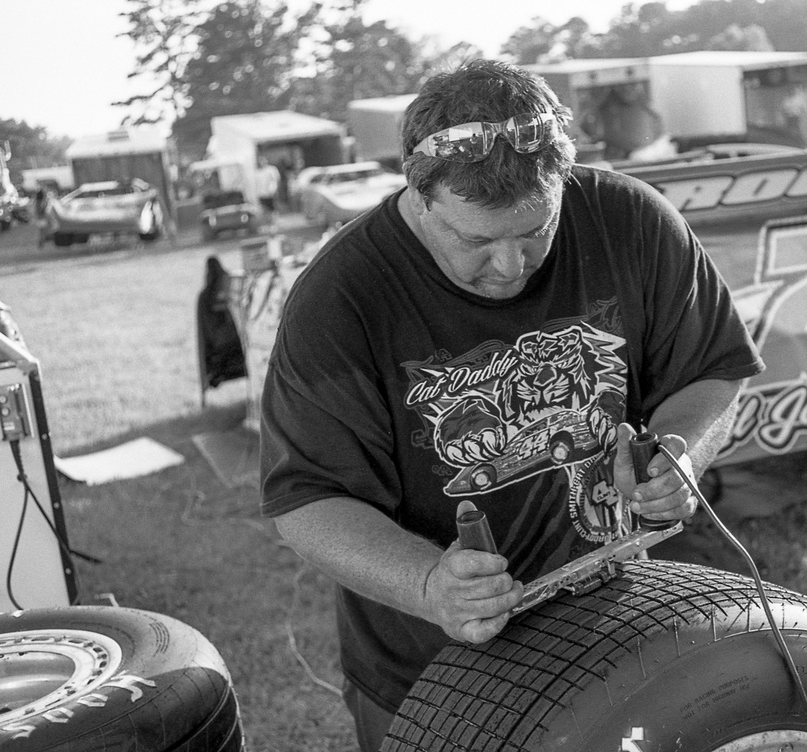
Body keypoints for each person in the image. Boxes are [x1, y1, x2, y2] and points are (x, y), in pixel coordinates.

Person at [259, 59, 763, 751]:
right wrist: (429, 583)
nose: (510, 266)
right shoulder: (340, 297)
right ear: (418, 194)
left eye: (535, 231)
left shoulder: (631, 220)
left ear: (563, 179)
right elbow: (306, 499)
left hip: (620, 626)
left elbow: (713, 369)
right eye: (476, 241)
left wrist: (681, 456)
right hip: (436, 675)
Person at [255, 156, 281, 227]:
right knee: (264, 209)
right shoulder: (257, 172)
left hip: (270, 193)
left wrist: (275, 190)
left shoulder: (271, 169)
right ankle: (267, 224)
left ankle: (274, 223)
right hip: (261, 194)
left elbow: (276, 180)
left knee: (273, 209)